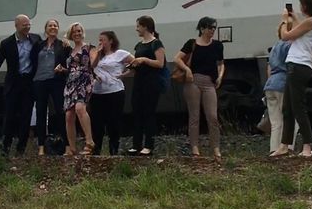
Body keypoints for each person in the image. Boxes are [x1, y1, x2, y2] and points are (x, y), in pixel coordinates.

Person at [0, 14, 42, 156]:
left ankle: (21, 149)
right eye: (24, 25)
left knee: (26, 116)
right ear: (16, 26)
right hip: (14, 83)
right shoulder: (7, 43)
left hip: (29, 82)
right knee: (9, 115)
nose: (27, 27)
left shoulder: (36, 40)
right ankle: (5, 146)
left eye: (29, 24)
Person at [272, 0, 312, 157]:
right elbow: (302, 28)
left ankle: (307, 146)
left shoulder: (311, 22)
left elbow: (285, 36)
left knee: (298, 107)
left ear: (305, 6)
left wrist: (285, 20)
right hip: (299, 66)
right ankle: (284, 145)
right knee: (288, 108)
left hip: (298, 66)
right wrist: (295, 17)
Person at [174, 17, 224, 160]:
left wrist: (220, 76)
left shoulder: (217, 45)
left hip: (209, 82)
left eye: (214, 28)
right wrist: (187, 70)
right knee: (194, 115)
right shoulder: (192, 44)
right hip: (193, 80)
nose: (212, 31)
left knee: (212, 116)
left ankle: (216, 148)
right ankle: (195, 148)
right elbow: (177, 58)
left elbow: (220, 63)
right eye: (210, 28)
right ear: (202, 29)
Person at [31, 19, 71, 156]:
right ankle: (41, 146)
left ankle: (67, 146)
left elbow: (71, 64)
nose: (53, 27)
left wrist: (63, 69)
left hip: (56, 81)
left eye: (55, 25)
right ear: (46, 29)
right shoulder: (38, 45)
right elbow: (32, 61)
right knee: (41, 114)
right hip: (39, 81)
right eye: (50, 25)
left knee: (61, 112)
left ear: (58, 29)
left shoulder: (63, 45)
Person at [90, 31, 134, 155]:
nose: (100, 42)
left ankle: (114, 149)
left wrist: (125, 74)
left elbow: (135, 63)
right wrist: (98, 53)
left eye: (103, 40)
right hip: (97, 92)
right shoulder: (96, 54)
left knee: (113, 121)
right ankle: (96, 149)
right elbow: (92, 66)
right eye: (99, 40)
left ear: (110, 41)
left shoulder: (119, 54)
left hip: (114, 91)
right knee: (97, 123)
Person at [127, 16, 165, 156]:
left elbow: (160, 63)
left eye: (138, 26)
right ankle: (136, 144)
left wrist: (144, 59)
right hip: (139, 81)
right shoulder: (139, 45)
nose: (137, 29)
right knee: (137, 111)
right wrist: (127, 71)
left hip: (151, 82)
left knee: (149, 112)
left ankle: (149, 144)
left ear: (145, 26)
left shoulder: (156, 43)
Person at [264, 23, 298, 154]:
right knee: (291, 119)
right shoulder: (288, 46)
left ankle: (274, 149)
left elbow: (269, 67)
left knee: (276, 121)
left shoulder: (275, 46)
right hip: (283, 83)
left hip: (271, 85)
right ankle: (288, 148)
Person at [63, 22, 96, 156]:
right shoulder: (69, 50)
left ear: (83, 33)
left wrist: (97, 58)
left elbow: (93, 64)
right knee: (69, 115)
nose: (77, 33)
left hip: (84, 80)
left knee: (80, 108)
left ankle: (89, 142)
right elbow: (71, 68)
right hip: (70, 82)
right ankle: (72, 148)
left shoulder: (90, 47)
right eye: (74, 31)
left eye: (79, 31)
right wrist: (62, 69)